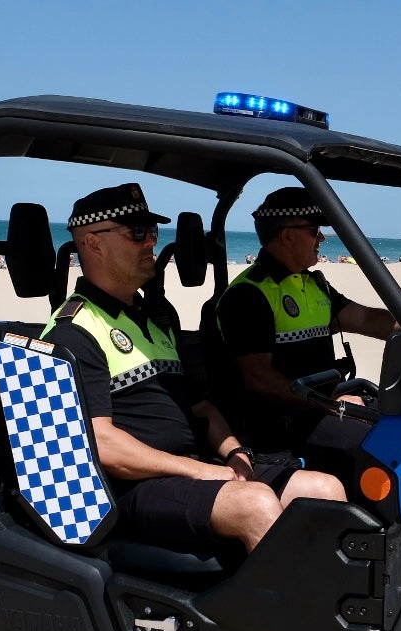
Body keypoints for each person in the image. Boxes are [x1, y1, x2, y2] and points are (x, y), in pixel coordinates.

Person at [41, 183, 345, 554]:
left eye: (151, 231)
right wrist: (198, 470)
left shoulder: (157, 317)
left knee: (323, 490)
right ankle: (284, 610)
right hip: (134, 487)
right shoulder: (74, 331)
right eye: (137, 232)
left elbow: (201, 408)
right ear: (93, 243)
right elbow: (103, 444)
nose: (151, 242)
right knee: (255, 504)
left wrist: (235, 453)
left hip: (192, 466)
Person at [213, 187, 401, 470]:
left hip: (327, 404)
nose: (321, 238)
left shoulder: (314, 284)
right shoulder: (249, 295)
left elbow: (365, 319)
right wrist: (331, 404)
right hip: (283, 421)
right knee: (386, 444)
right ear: (288, 236)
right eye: (314, 230)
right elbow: (260, 380)